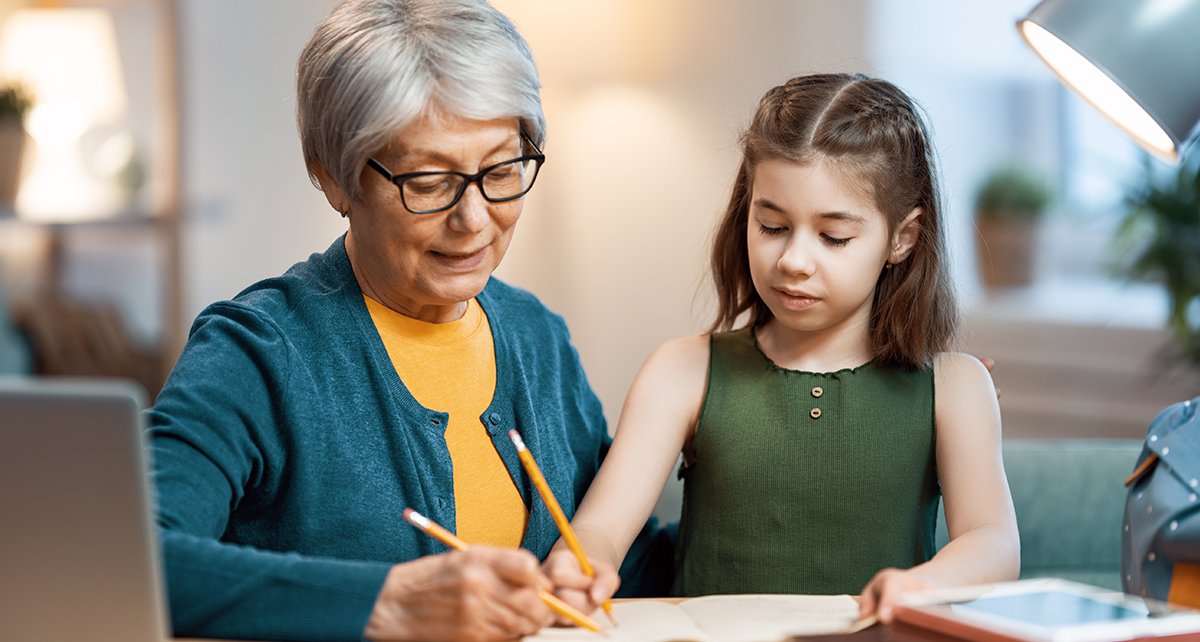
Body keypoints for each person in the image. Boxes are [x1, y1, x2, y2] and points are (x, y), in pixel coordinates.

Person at [147, 1, 666, 640]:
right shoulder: (257, 353)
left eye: (501, 170)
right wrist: (386, 603)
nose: (474, 219)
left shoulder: (536, 335)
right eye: (427, 181)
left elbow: (625, 560)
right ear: (332, 177)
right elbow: (131, 556)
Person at [544, 73, 1021, 623]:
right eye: (771, 226)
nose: (794, 260)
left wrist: (918, 586)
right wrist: (578, 565)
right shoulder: (682, 369)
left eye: (833, 237)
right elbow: (600, 528)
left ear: (902, 238)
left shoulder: (956, 385)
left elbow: (993, 543)